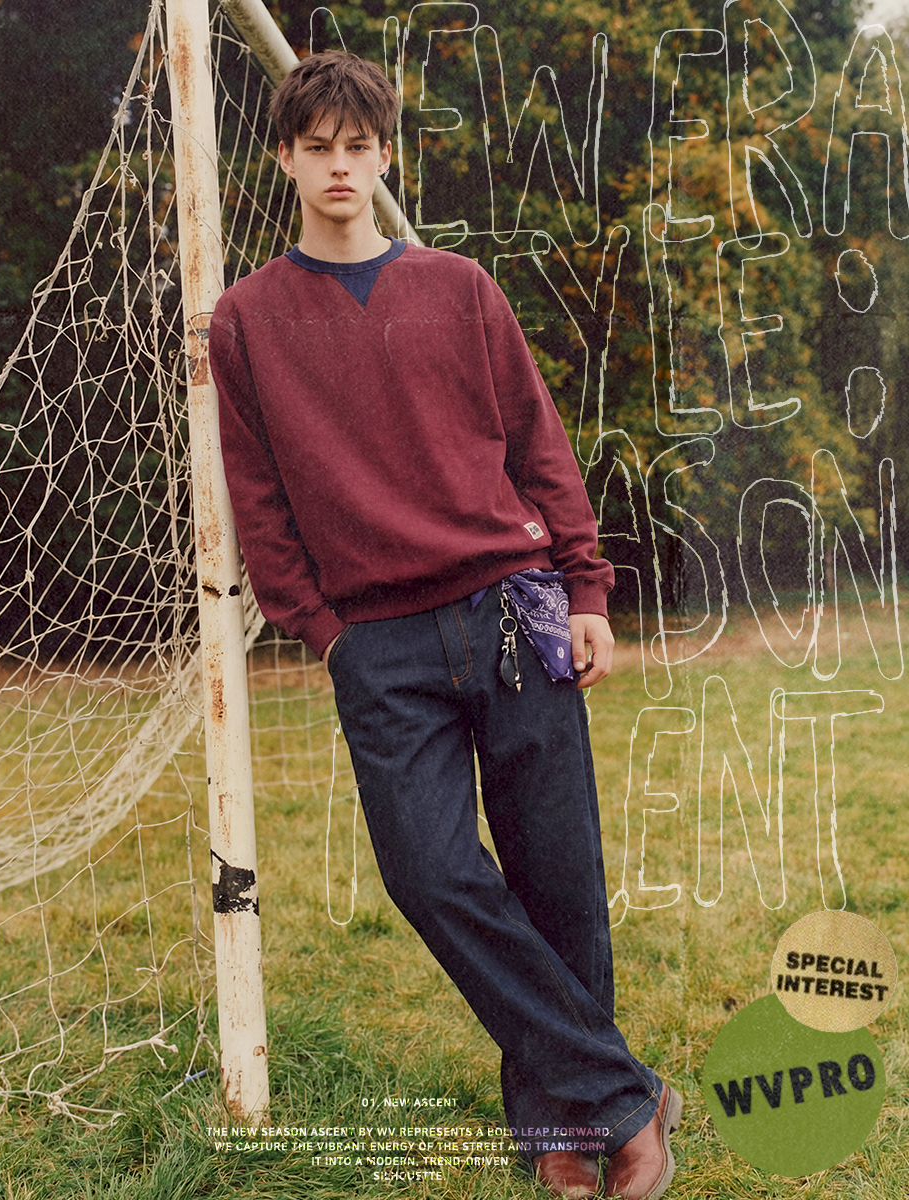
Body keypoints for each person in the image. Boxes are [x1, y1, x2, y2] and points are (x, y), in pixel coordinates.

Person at [209, 48, 682, 1200]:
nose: (339, 167)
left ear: (383, 155)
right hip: (379, 641)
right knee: (428, 873)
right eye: (316, 147)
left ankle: (566, 1125)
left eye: (357, 147)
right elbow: (258, 497)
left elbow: (538, 446)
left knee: (555, 877)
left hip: (513, 605)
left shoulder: (461, 287)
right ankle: (625, 1094)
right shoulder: (247, 320)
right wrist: (325, 631)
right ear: (283, 158)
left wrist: (584, 591)